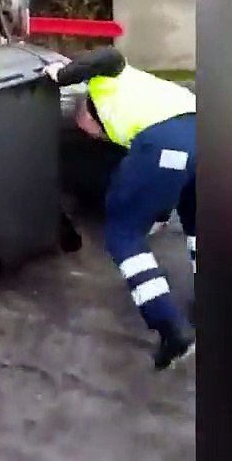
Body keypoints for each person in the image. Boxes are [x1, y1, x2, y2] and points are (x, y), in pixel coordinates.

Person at [45, 47, 196, 370]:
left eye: (85, 125)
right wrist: (156, 213)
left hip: (166, 141)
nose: (90, 132)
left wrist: (61, 75)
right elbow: (161, 181)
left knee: (122, 234)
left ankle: (170, 327)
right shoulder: (145, 99)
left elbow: (109, 55)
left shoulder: (107, 82)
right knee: (196, 220)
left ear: (89, 109)